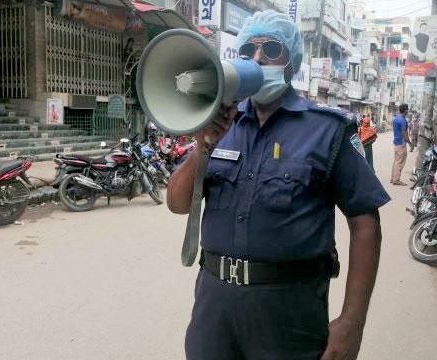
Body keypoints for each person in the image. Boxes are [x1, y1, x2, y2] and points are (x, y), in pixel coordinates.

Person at [166, 10, 390, 360]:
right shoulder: (219, 123)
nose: (257, 59)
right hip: (215, 309)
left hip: (290, 314)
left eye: (271, 49)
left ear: (291, 61)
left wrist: (352, 321)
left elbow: (366, 224)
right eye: (248, 51)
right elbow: (178, 203)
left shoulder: (329, 129)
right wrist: (202, 147)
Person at [390, 103, 413, 186]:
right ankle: (396, 180)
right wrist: (410, 144)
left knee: (396, 161)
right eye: (407, 109)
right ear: (406, 110)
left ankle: (393, 178)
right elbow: (404, 133)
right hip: (401, 143)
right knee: (399, 162)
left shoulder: (396, 119)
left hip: (396, 142)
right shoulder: (403, 121)